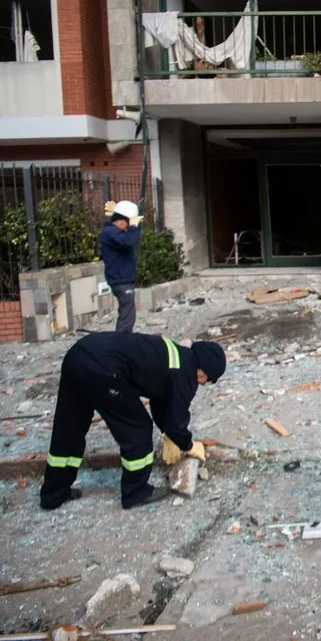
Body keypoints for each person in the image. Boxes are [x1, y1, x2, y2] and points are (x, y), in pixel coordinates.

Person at [39, 332, 226, 510]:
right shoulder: (186, 373)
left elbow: (161, 402)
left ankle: (53, 494)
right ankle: (136, 492)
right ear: (203, 370)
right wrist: (188, 444)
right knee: (138, 428)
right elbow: (177, 417)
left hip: (78, 354)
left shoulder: (174, 355)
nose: (203, 383)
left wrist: (168, 433)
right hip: (104, 370)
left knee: (69, 428)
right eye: (208, 379)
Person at [99, 200, 143, 334]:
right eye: (129, 223)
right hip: (120, 280)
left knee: (128, 314)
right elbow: (128, 242)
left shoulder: (114, 233)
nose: (129, 227)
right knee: (127, 316)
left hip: (124, 279)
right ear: (122, 220)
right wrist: (134, 227)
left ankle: (122, 342)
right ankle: (121, 343)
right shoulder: (110, 233)